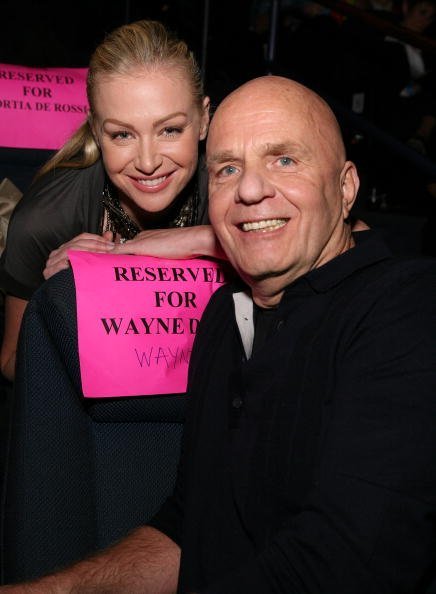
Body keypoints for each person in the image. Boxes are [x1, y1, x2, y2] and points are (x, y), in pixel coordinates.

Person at [2, 75, 436, 593]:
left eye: (284, 160)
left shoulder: (406, 307)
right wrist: (57, 590)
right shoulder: (224, 319)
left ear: (345, 189)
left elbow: (343, 562)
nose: (250, 189)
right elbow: (189, 530)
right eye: (228, 168)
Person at [0, 19, 219, 382]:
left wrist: (201, 239)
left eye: (170, 130)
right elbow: (11, 365)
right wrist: (56, 304)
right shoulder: (46, 219)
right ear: (96, 132)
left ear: (205, 119)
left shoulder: (237, 192)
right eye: (122, 135)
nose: (148, 162)